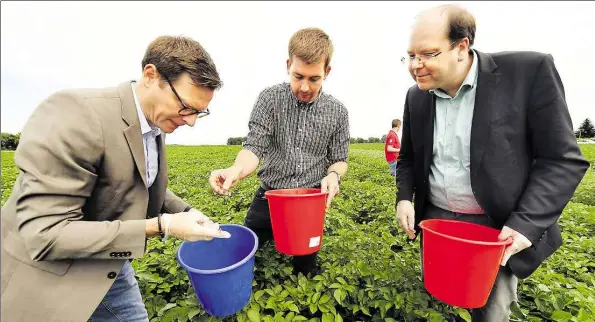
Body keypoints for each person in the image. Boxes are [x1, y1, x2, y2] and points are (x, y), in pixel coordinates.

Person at [1, 35, 231, 322]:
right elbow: (45, 235)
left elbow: (134, 182)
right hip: (47, 274)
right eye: (186, 106)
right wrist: (162, 225)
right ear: (151, 76)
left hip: (107, 261)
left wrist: (185, 212)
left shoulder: (155, 123)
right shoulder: (76, 113)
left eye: (200, 112)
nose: (191, 121)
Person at [395, 5, 589, 321]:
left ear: (461, 46)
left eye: (428, 54)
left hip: (495, 229)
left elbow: (562, 160)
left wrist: (524, 225)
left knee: (489, 311)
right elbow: (408, 158)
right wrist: (405, 197)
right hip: (438, 225)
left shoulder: (527, 72)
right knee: (441, 298)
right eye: (410, 56)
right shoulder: (417, 96)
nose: (416, 66)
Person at [209, 27, 350, 276]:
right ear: (288, 65)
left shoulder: (338, 112)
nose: (304, 86)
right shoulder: (270, 100)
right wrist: (236, 170)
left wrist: (334, 176)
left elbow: (339, 159)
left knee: (306, 266)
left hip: (309, 202)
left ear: (327, 71)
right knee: (246, 253)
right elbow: (253, 147)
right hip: (269, 197)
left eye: (314, 78)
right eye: (298, 76)